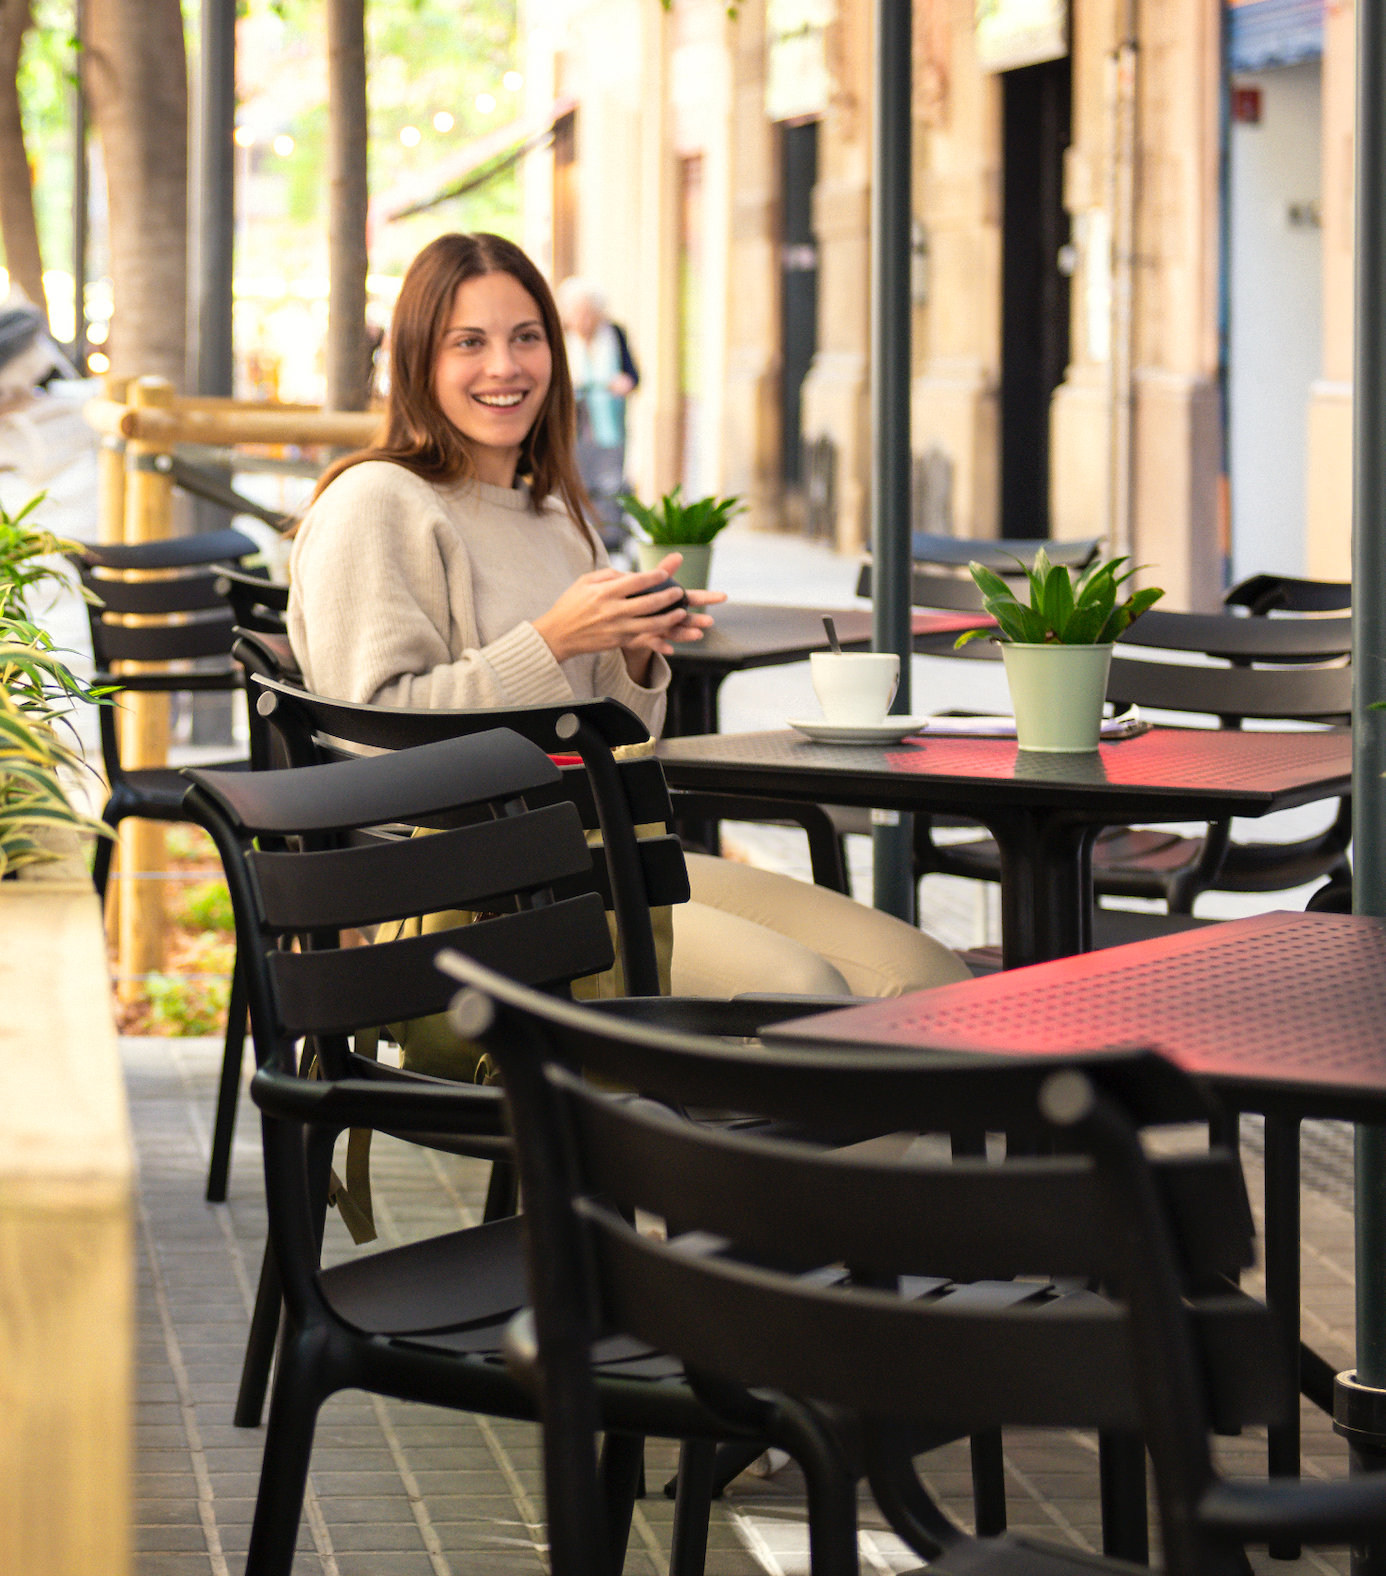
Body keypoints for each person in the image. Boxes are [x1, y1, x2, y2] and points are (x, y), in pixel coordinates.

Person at [287, 230, 967, 1001]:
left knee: (929, 979)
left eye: (526, 338)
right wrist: (550, 641)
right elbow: (371, 746)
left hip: (601, 851)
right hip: (473, 893)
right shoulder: (375, 501)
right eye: (468, 342)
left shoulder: (556, 517)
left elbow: (622, 745)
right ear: (418, 362)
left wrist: (634, 656)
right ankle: (684, 1118)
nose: (505, 366)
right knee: (805, 996)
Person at [557, 276, 639, 556]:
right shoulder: (560, 339)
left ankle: (609, 539)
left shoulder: (614, 334)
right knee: (577, 479)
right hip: (575, 422)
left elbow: (634, 375)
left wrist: (624, 382)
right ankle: (579, 537)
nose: (584, 320)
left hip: (609, 423)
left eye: (590, 313)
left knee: (609, 482)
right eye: (578, 313)